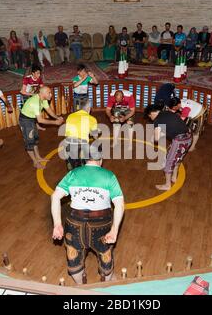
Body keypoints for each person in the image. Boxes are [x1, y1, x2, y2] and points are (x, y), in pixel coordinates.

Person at [51, 144, 125, 284]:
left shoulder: (73, 173)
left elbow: (55, 197)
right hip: (101, 224)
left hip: (75, 224)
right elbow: (119, 204)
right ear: (101, 159)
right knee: (105, 256)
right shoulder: (109, 176)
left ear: (84, 158)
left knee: (73, 258)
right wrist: (114, 230)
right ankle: (106, 283)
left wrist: (57, 224)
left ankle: (81, 286)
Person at [145, 104, 192, 190]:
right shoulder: (167, 113)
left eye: (149, 117)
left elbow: (156, 138)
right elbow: (171, 127)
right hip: (188, 138)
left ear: (151, 114)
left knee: (169, 161)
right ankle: (174, 177)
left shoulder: (157, 120)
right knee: (177, 158)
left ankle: (167, 185)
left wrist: (153, 137)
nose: (150, 119)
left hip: (180, 140)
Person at [18, 86, 64, 168]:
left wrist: (57, 117)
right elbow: (40, 120)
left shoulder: (44, 99)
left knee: (35, 139)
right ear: (42, 93)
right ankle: (35, 162)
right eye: (49, 93)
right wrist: (55, 122)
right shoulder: (35, 102)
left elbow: (49, 110)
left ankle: (38, 158)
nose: (51, 94)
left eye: (51, 92)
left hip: (32, 119)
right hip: (25, 121)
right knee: (29, 142)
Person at [63, 99, 99, 170]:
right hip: (82, 146)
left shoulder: (70, 116)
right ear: (88, 109)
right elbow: (95, 136)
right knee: (83, 169)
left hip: (68, 145)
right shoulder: (92, 119)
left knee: (71, 169)